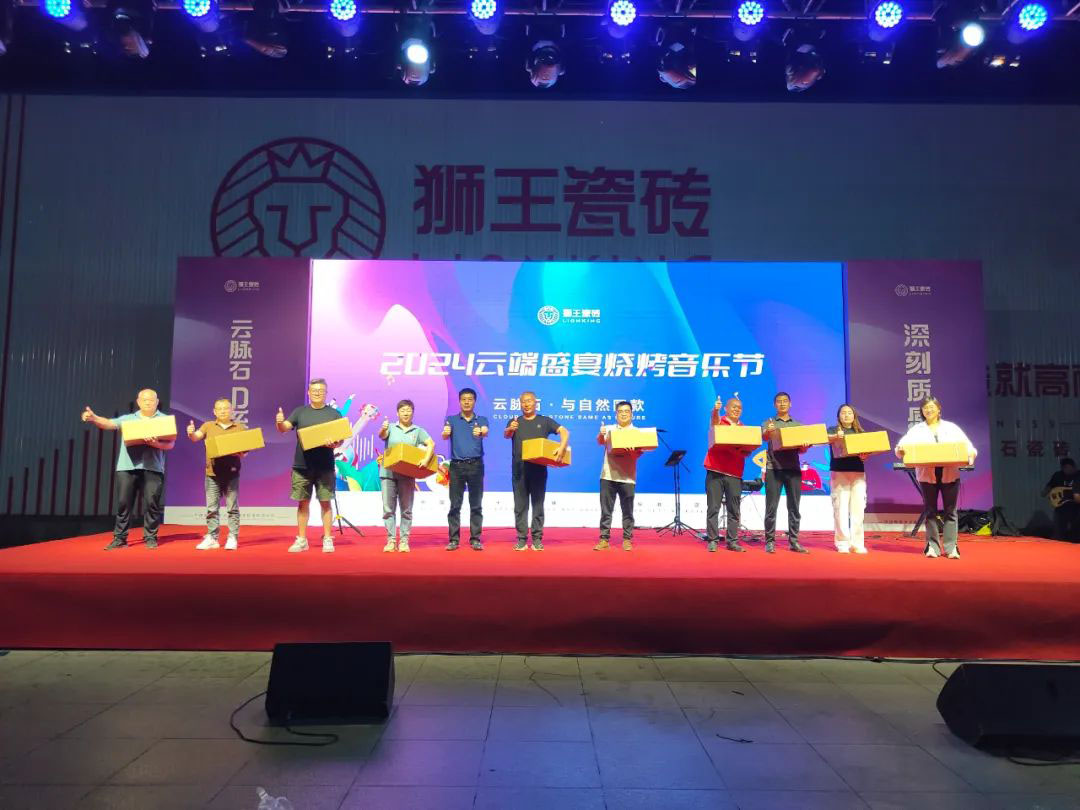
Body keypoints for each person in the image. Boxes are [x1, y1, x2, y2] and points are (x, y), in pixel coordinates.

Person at [82, 388, 175, 550]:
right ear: (138, 402)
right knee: (124, 504)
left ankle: (150, 537)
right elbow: (109, 423)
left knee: (152, 504)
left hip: (153, 468)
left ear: (157, 402)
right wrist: (94, 418)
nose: (148, 402)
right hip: (127, 467)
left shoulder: (164, 420)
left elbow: (170, 444)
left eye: (151, 400)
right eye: (144, 399)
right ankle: (120, 538)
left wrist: (155, 443)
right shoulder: (129, 419)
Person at [895, 396, 977, 559]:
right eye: (925, 408)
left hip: (950, 474)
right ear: (922, 411)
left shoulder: (951, 428)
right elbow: (901, 448)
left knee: (950, 511)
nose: (929, 410)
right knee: (930, 511)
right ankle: (932, 546)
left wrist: (970, 455)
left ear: (939, 409)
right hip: (927, 475)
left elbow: (969, 447)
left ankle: (951, 547)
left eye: (932, 407)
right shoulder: (917, 430)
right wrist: (901, 450)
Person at [276, 378, 345, 553]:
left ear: (326, 393)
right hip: (302, 466)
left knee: (325, 503)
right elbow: (284, 428)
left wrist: (335, 444)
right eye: (314, 390)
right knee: (302, 503)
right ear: (308, 392)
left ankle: (327, 538)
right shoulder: (300, 412)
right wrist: (279, 422)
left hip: (325, 466)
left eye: (321, 390)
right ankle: (301, 540)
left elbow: (341, 439)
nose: (317, 393)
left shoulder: (334, 414)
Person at [505, 391, 569, 551]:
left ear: (535, 403)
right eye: (523, 401)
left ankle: (537, 539)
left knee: (538, 506)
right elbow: (506, 435)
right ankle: (521, 539)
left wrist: (562, 447)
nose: (526, 404)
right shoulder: (515, 421)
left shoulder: (544, 421)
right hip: (519, 470)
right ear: (520, 404)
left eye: (529, 401)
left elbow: (564, 431)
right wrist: (510, 429)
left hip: (539, 470)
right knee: (520, 506)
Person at [187, 397, 246, 550]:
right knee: (212, 508)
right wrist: (191, 433)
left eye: (226, 408)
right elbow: (196, 437)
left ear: (232, 410)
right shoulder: (208, 425)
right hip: (212, 473)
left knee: (232, 508)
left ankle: (233, 537)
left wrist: (238, 452)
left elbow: (245, 451)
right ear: (214, 411)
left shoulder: (239, 427)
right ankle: (212, 538)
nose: (223, 411)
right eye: (219, 409)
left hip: (232, 473)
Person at [377, 399, 434, 553]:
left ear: (413, 412)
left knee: (406, 510)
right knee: (388, 509)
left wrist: (425, 460)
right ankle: (391, 540)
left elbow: (431, 444)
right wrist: (383, 428)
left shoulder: (418, 430)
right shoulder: (390, 427)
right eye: (402, 410)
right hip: (388, 473)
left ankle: (404, 541)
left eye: (408, 410)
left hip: (407, 475)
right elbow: (382, 435)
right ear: (397, 413)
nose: (406, 413)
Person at [760, 392, 810, 554]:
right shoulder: (769, 423)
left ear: (790, 404)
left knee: (794, 507)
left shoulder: (798, 425)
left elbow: (801, 450)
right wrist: (768, 431)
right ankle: (769, 541)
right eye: (779, 401)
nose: (782, 403)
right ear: (775, 405)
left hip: (793, 469)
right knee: (771, 508)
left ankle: (794, 541)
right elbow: (764, 437)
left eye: (785, 401)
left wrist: (804, 446)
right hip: (773, 468)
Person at [442, 388, 489, 551]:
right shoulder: (451, 420)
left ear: (474, 401)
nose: (467, 402)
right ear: (459, 401)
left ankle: (475, 539)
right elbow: (444, 435)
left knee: (476, 505)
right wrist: (445, 433)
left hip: (476, 466)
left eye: (470, 399)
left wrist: (481, 432)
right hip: (457, 467)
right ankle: (454, 540)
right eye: (464, 399)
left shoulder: (481, 420)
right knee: (455, 505)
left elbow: (485, 431)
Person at [703, 396, 751, 553]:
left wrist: (745, 450)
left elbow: (747, 451)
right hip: (715, 471)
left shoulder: (744, 429)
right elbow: (714, 422)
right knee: (713, 508)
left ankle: (732, 541)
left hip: (735, 473)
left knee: (734, 510)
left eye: (739, 407)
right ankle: (712, 540)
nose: (737, 409)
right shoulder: (720, 421)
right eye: (733, 407)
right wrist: (715, 410)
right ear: (726, 409)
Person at [595, 401, 643, 551]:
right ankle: (604, 540)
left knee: (627, 511)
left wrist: (632, 451)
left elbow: (637, 455)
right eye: (620, 411)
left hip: (627, 477)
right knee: (606, 511)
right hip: (608, 475)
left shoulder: (637, 432)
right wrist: (601, 434)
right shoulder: (609, 429)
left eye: (627, 411)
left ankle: (627, 540)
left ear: (631, 414)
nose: (623, 414)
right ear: (616, 414)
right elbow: (600, 442)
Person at [829, 404, 869, 554]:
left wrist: (865, 456)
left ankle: (857, 543)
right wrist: (835, 437)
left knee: (858, 509)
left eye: (849, 413)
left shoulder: (861, 432)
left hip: (858, 472)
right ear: (838, 416)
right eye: (843, 413)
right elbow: (823, 439)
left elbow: (867, 451)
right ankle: (842, 543)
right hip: (839, 472)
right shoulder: (833, 430)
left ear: (854, 416)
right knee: (840, 508)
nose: (846, 415)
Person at [1040, 457, 1080, 542]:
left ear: (1074, 467)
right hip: (1061, 508)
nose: (1067, 470)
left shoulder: (1078, 476)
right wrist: (1046, 493)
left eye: (1069, 467)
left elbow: (1077, 497)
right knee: (1059, 530)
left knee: (1076, 530)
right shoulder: (1058, 475)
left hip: (1076, 508)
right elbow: (1050, 486)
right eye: (1064, 468)